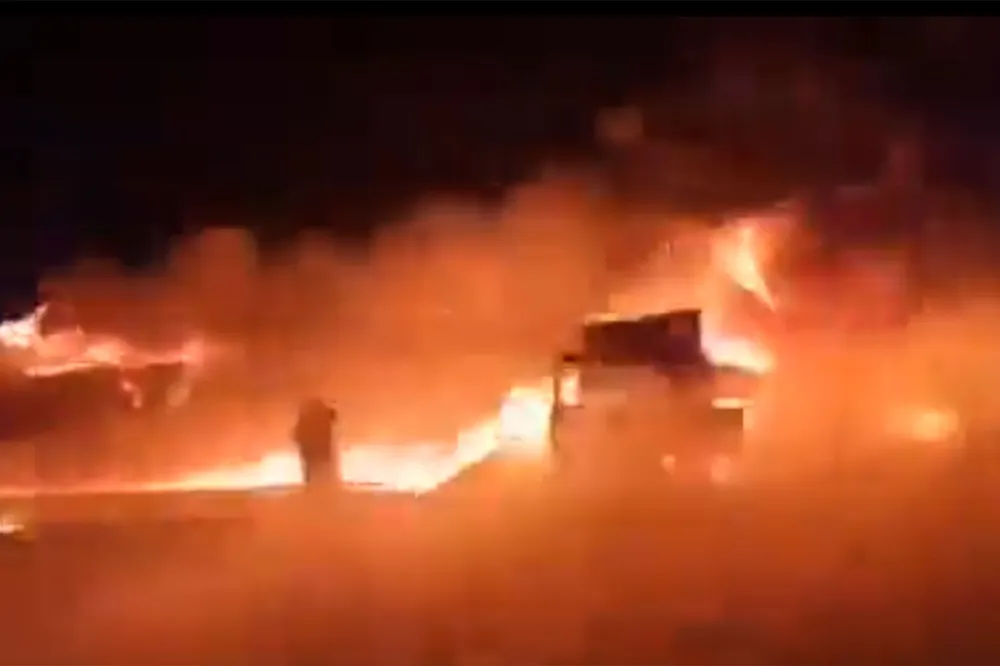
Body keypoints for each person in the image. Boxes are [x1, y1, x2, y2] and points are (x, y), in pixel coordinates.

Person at [293, 398, 340, 490]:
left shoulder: (307, 418)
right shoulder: (322, 416)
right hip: (318, 448)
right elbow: (333, 418)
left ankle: (313, 484)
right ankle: (322, 484)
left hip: (311, 448)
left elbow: (298, 434)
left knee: (311, 465)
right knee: (320, 465)